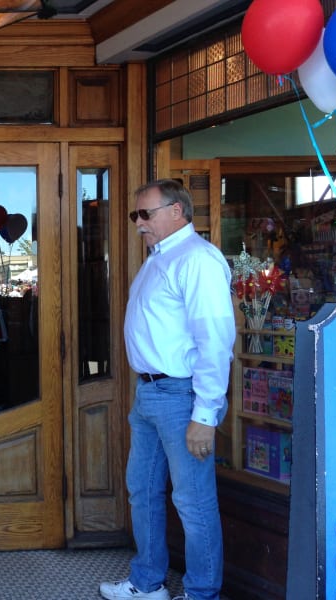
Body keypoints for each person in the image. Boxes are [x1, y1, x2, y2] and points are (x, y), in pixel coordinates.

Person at [99, 179, 235, 600]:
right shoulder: (160, 259)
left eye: (146, 214)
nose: (138, 223)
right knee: (143, 491)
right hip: (151, 395)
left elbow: (215, 340)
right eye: (134, 215)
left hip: (182, 397)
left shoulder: (197, 260)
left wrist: (206, 414)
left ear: (177, 211)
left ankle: (201, 594)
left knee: (193, 504)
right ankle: (147, 583)